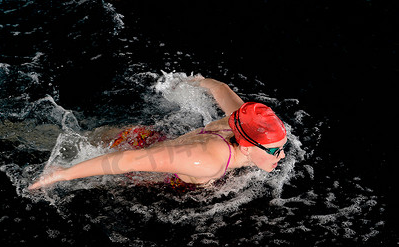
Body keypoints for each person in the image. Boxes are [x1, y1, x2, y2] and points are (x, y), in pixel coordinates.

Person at [28, 77, 287, 190]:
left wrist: (186, 82)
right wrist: (61, 175)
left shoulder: (240, 122)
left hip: (150, 139)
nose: (283, 155)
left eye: (281, 146)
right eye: (275, 150)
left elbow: (219, 88)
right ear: (246, 147)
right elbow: (130, 161)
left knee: (71, 137)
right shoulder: (206, 161)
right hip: (138, 164)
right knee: (44, 143)